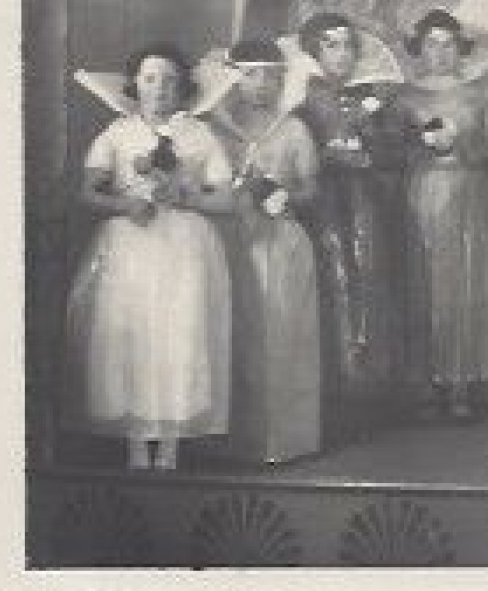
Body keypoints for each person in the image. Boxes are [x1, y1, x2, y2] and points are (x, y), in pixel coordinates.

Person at [65, 44, 234, 470]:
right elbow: (86, 193)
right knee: (131, 334)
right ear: (135, 85)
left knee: (179, 332)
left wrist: (187, 195)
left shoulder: (199, 134)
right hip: (130, 246)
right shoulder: (116, 134)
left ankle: (171, 449)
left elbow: (227, 200)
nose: (160, 88)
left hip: (184, 247)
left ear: (184, 88)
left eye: (171, 80)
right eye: (151, 78)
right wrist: (124, 206)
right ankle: (137, 448)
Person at [208, 38, 323, 465]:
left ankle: (284, 441)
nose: (261, 84)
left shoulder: (294, 128)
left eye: (271, 75)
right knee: (231, 334)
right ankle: (228, 441)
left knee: (282, 335)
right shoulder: (215, 129)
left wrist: (282, 193)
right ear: (233, 79)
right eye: (250, 74)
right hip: (228, 238)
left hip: (282, 241)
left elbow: (312, 188)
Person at [399, 9, 488, 425]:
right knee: (425, 283)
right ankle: (426, 382)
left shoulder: (483, 92)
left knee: (467, 284)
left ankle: (462, 385)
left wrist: (464, 148)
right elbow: (392, 152)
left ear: (461, 48)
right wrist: (422, 145)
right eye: (431, 43)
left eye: (448, 43)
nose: (440, 52)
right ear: (419, 48)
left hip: (472, 193)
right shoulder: (405, 96)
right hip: (423, 196)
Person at [293, 12, 405, 447]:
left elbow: (397, 151)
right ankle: (334, 395)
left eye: (347, 45)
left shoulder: (375, 98)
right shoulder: (303, 102)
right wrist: (328, 156)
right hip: (323, 205)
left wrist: (371, 149)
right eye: (330, 45)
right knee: (331, 288)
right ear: (316, 53)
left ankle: (373, 393)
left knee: (371, 286)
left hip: (368, 204)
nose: (341, 54)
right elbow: (295, 155)